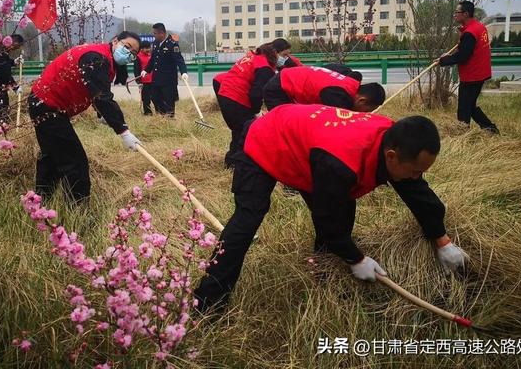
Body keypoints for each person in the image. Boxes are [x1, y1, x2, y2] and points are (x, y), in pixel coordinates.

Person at [194, 105, 468, 312]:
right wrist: (356, 259)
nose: (415, 176)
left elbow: (417, 192)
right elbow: (327, 217)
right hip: (265, 138)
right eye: (414, 171)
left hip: (308, 145)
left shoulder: (393, 141)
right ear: (391, 157)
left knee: (344, 208)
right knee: (247, 219)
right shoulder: (340, 161)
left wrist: (442, 240)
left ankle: (323, 273)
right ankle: (207, 303)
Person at [28, 31, 142, 204]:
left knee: (52, 157)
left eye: (133, 54)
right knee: (75, 162)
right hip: (48, 105)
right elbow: (102, 96)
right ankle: (78, 210)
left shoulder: (100, 56)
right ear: (115, 41)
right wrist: (123, 130)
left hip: (44, 103)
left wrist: (101, 114)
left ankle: (41, 202)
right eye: (127, 47)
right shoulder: (97, 58)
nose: (129, 54)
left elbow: (90, 89)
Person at [213, 38, 291, 168]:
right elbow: (256, 94)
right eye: (284, 55)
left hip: (226, 93)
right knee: (245, 131)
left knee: (239, 131)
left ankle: (232, 162)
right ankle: (236, 163)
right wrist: (256, 111)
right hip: (235, 97)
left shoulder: (256, 55)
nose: (286, 58)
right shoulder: (265, 67)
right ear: (276, 52)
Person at [436, 0, 499, 134]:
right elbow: (468, 47)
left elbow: (463, 56)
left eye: (457, 12)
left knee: (464, 107)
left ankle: (462, 133)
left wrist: (443, 61)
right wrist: (461, 36)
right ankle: (491, 129)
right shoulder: (479, 27)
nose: (455, 15)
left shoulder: (470, 33)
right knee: (470, 105)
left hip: (473, 75)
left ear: (465, 14)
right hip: (480, 73)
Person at [263, 64, 385, 112]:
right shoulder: (338, 96)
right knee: (284, 124)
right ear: (361, 100)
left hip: (288, 78)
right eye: (365, 110)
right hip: (279, 88)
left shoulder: (350, 82)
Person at [142, 23, 187, 117]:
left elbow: (179, 60)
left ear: (161, 33)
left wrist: (184, 72)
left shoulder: (172, 44)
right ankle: (161, 116)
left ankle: (170, 119)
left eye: (155, 33)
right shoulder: (155, 43)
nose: (153, 35)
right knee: (155, 98)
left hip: (168, 80)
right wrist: (146, 70)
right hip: (156, 78)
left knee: (168, 101)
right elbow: (153, 59)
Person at [134, 40, 154, 115]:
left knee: (155, 97)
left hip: (153, 81)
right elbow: (136, 71)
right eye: (146, 48)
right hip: (144, 82)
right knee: (146, 99)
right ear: (141, 49)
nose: (148, 49)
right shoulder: (138, 57)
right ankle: (148, 113)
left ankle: (159, 112)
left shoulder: (151, 56)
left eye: (149, 47)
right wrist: (139, 82)